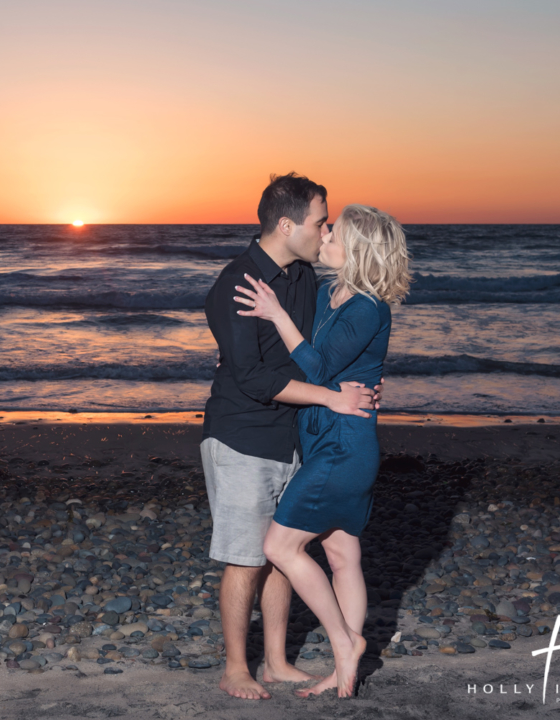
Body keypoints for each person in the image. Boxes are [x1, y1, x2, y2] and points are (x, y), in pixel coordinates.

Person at [201, 174, 381, 701]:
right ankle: (237, 666)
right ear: (287, 225)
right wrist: (331, 398)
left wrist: (364, 381)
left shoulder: (303, 278)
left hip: (295, 434)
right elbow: (253, 378)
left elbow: (324, 347)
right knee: (245, 557)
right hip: (242, 435)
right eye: (320, 221)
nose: (326, 230)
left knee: (284, 549)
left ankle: (277, 660)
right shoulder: (234, 284)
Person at [233, 203, 411, 698]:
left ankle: (344, 641)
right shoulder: (329, 290)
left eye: (335, 232)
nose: (326, 233)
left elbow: (316, 366)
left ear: (356, 251)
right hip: (323, 439)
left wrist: (276, 315)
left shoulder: (368, 307)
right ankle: (343, 670)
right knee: (341, 553)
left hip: (343, 446)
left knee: (279, 547)